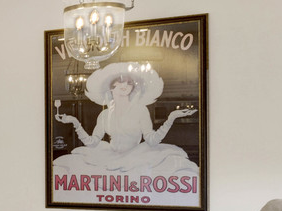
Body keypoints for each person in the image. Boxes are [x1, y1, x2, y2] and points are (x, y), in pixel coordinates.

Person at [54, 61, 197, 177]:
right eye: (120, 82)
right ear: (111, 87)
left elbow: (152, 140)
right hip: (108, 156)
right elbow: (92, 143)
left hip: (137, 157)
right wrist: (75, 122)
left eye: (129, 83)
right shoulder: (104, 115)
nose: (125, 86)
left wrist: (171, 118)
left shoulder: (140, 110)